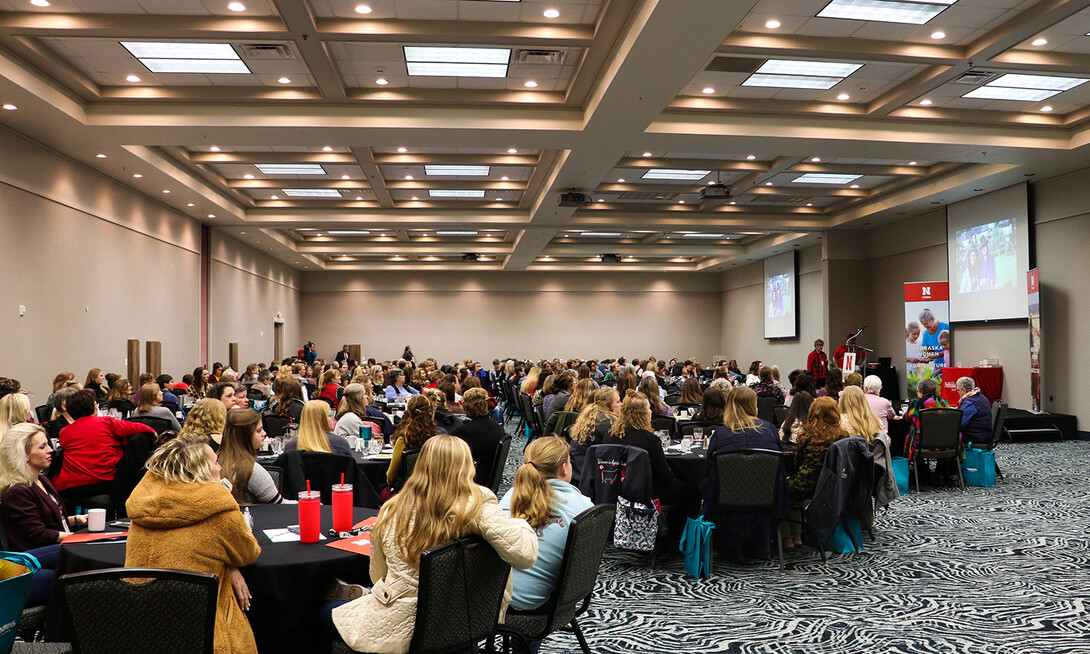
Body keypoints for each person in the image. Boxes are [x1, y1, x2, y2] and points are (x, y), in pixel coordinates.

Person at [328, 435, 536, 653]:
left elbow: (378, 575)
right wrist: (519, 522)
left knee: (323, 611)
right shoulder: (475, 506)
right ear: (466, 468)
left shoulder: (391, 510)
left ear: (420, 466)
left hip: (400, 625)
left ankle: (359, 595)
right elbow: (525, 554)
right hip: (461, 621)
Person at [125, 435, 261, 654]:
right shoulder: (219, 510)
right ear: (202, 471)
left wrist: (227, 565)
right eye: (216, 462)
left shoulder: (143, 508)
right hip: (204, 635)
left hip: (139, 631)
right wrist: (226, 500)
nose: (220, 467)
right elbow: (248, 553)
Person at [500, 436, 593, 614]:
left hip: (494, 599)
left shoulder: (511, 496)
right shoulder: (585, 508)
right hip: (541, 605)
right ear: (564, 468)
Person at [0, 423, 89, 608]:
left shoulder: (41, 479)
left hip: (48, 552)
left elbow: (46, 519)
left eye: (48, 444)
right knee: (80, 560)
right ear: (23, 454)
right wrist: (76, 538)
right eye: (42, 447)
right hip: (29, 561)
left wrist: (73, 520)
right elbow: (37, 534)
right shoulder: (17, 490)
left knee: (82, 560)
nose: (51, 450)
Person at [701, 387, 785, 557]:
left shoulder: (720, 434)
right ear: (754, 406)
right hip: (766, 497)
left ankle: (726, 543)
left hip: (726, 498)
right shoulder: (770, 430)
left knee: (704, 484)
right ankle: (761, 545)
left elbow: (710, 466)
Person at [52, 389, 155, 500]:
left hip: (71, 486)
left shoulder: (64, 432)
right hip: (105, 481)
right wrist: (154, 434)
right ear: (94, 407)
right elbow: (139, 428)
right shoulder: (107, 423)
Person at [786, 397, 846, 547]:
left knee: (781, 487)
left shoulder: (807, 436)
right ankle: (797, 535)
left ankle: (789, 537)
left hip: (808, 486)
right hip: (834, 487)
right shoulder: (843, 437)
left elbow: (797, 465)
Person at [218, 408, 284, 504]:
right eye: (259, 431)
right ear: (245, 436)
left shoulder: (216, 461)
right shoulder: (252, 470)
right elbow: (280, 505)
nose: (264, 434)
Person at [451, 387, 505, 486]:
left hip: (474, 479)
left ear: (466, 407)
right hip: (489, 475)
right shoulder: (495, 424)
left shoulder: (463, 431)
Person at [567, 388, 620, 484]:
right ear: (608, 406)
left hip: (576, 470)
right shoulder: (608, 421)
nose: (621, 405)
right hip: (586, 476)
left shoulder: (589, 415)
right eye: (618, 402)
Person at [385, 395, 438, 491]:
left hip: (406, 492)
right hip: (432, 490)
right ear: (431, 413)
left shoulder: (403, 439)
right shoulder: (437, 439)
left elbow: (391, 477)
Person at [903, 378, 950, 461]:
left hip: (922, 444)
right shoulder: (944, 402)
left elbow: (906, 418)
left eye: (917, 391)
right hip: (945, 443)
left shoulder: (918, 403)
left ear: (921, 392)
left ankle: (921, 470)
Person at [284, 400, 352, 456]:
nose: (333, 418)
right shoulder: (340, 444)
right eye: (330, 415)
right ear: (321, 419)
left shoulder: (290, 447)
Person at [956, 377, 993, 447]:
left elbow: (960, 424)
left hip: (976, 437)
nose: (957, 392)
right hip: (984, 434)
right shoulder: (981, 397)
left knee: (946, 436)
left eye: (957, 390)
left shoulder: (969, 403)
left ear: (964, 390)